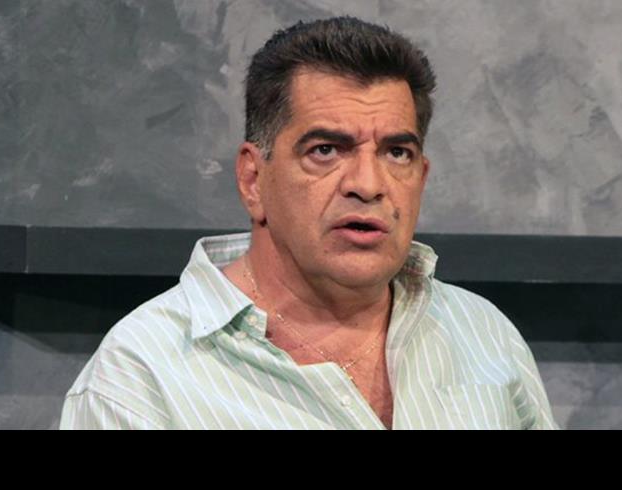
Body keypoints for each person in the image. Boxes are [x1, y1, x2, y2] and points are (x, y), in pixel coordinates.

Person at [60, 16, 556, 430]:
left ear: (421, 178)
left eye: (396, 152)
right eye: (325, 150)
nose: (368, 184)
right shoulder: (139, 380)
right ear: (253, 179)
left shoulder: (484, 335)